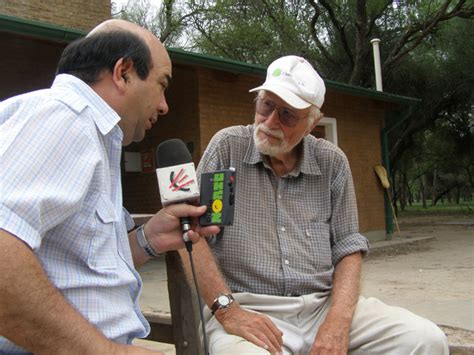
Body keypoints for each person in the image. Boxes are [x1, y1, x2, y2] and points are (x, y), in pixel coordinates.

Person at [181, 55, 449, 354]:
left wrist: (338, 320)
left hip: (322, 305)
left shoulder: (332, 162)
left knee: (425, 340)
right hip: (249, 308)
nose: (270, 122)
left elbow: (349, 247)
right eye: (266, 105)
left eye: (287, 114)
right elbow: (192, 237)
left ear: (312, 123)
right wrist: (228, 311)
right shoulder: (227, 147)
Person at [0, 19, 219, 354]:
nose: (164, 106)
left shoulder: (88, 132)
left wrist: (149, 238)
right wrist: (106, 350)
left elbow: (75, 265)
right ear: (124, 72)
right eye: (161, 85)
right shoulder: (65, 119)